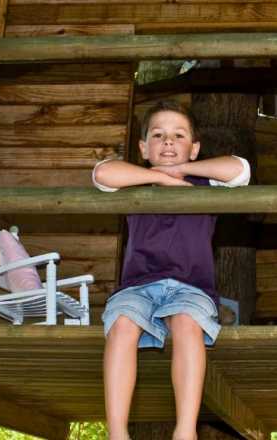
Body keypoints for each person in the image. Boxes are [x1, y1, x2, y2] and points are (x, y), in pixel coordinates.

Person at [92, 100, 250, 440]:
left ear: (193, 149)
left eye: (178, 136)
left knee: (187, 323)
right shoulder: (134, 182)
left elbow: (240, 170)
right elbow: (102, 174)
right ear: (143, 147)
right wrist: (159, 179)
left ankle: (185, 429)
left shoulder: (205, 183)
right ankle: (116, 431)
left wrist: (181, 173)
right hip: (137, 286)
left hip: (190, 287)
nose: (168, 142)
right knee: (122, 323)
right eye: (158, 135)